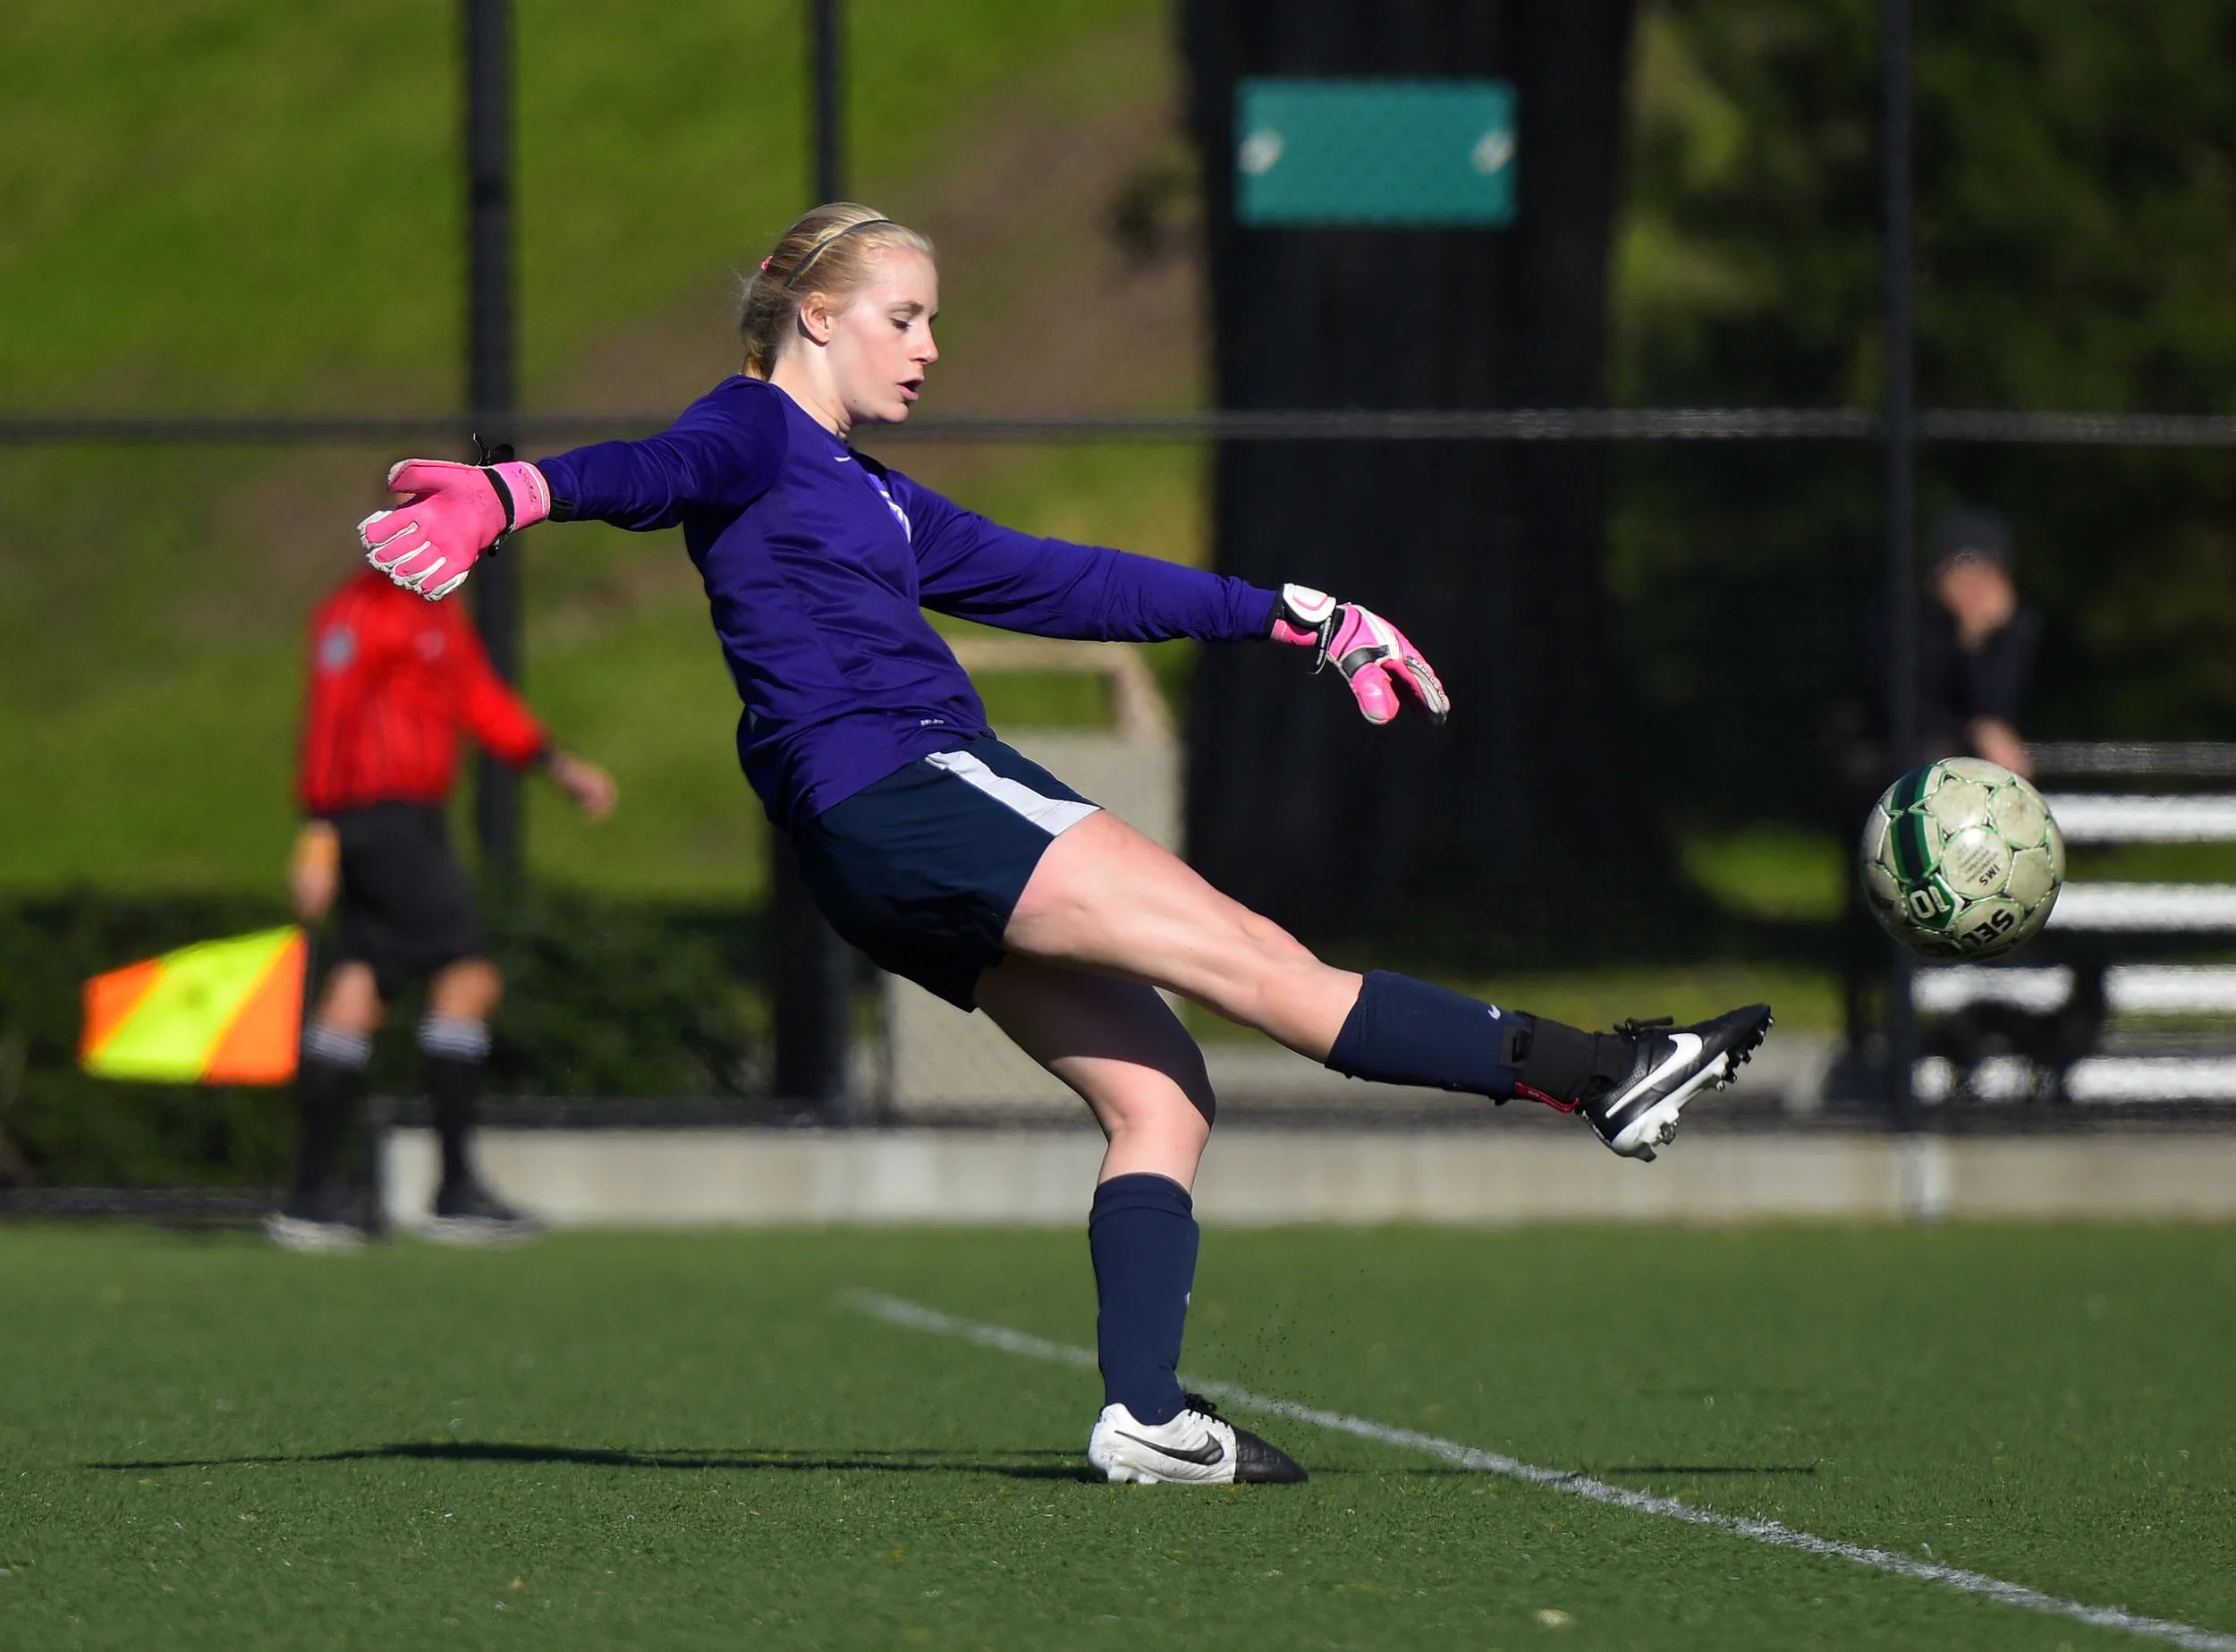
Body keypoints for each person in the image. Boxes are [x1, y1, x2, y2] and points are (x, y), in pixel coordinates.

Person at [353, 203, 1773, 1484]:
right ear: (818, 315)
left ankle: (1145, 1413)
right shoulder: (755, 429)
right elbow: (653, 467)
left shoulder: (880, 496)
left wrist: (1296, 610)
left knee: (1163, 1097)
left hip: (868, 850)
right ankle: (1606, 1071)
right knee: (1263, 963)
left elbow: (1067, 581)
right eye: (903, 316)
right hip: (916, 787)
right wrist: (509, 492)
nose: (927, 346)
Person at [269, 563, 617, 1252]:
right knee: (468, 974)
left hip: (411, 819)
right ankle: (454, 1190)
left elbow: (480, 700)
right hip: (377, 819)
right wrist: (317, 830)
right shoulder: (359, 613)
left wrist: (557, 765)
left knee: (359, 986)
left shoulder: (435, 617)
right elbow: (332, 717)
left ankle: (311, 1197)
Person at [1918, 508, 2042, 779]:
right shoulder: (1908, 624)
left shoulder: (2015, 627)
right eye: (1964, 563)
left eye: (1986, 566)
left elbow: (1998, 709)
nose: (1975, 581)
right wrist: (1972, 730)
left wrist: (1976, 639)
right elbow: (1906, 710)